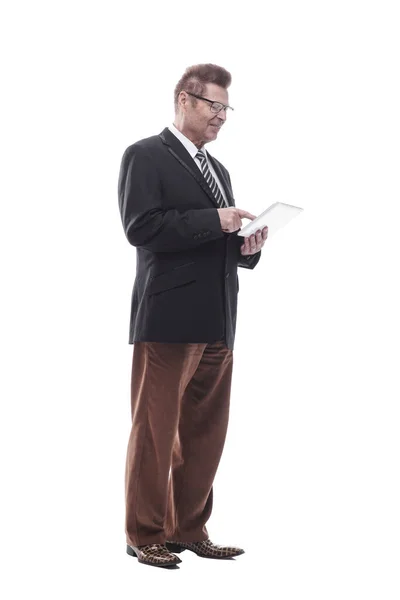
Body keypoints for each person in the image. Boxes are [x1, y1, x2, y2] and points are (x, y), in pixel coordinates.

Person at [117, 63, 268, 568]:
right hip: (167, 320)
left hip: (218, 320)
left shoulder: (218, 170)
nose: (221, 117)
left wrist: (247, 246)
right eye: (213, 106)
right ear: (185, 100)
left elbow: (217, 242)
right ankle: (144, 533)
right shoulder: (145, 156)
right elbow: (142, 228)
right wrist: (215, 219)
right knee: (155, 432)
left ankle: (188, 528)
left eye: (226, 108)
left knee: (205, 433)